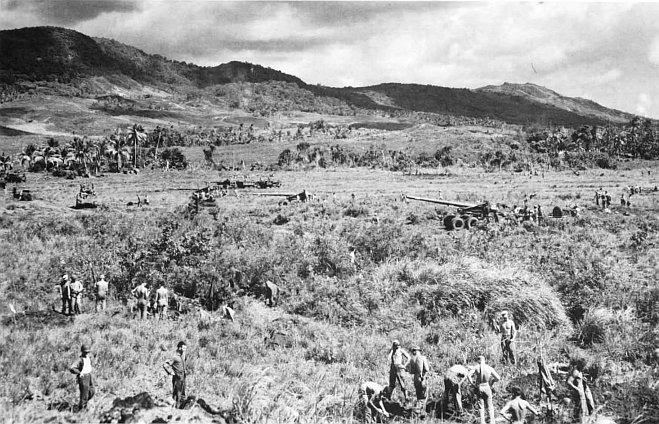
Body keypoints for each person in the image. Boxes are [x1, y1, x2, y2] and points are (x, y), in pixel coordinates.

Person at [468, 355, 501, 424]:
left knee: (481, 406)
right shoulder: (489, 368)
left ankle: (482, 422)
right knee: (490, 406)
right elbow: (498, 378)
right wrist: (493, 381)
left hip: (479, 387)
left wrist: (472, 384)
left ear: (478, 361)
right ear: (484, 360)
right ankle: (492, 421)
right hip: (487, 386)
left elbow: (468, 375)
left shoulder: (476, 367)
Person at [69, 344, 95, 410]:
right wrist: (79, 372)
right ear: (82, 352)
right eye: (85, 352)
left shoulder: (89, 357)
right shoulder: (79, 360)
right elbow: (72, 368)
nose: (86, 353)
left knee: (92, 390)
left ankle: (84, 404)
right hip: (83, 377)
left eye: (87, 352)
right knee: (84, 393)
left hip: (89, 375)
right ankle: (82, 409)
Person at [163, 341, 187, 409]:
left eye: (185, 348)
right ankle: (175, 409)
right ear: (179, 348)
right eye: (184, 348)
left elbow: (183, 363)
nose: (185, 350)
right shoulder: (174, 357)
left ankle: (181, 409)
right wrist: (170, 372)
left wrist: (185, 371)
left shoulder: (183, 356)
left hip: (183, 377)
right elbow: (165, 364)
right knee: (177, 394)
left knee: (183, 393)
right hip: (177, 377)